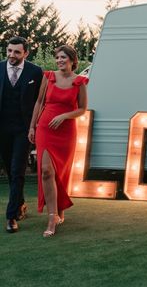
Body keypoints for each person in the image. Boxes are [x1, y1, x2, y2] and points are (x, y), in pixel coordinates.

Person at [28, 45, 88, 238]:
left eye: (63, 57)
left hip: (66, 131)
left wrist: (65, 116)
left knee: (60, 174)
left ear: (72, 60)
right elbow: (39, 102)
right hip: (45, 128)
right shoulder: (48, 77)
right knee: (46, 171)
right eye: (57, 57)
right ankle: (52, 217)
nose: (60, 60)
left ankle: (59, 209)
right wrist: (32, 126)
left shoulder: (80, 82)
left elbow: (82, 109)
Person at [0, 37, 43, 233]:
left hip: (23, 130)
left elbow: (39, 102)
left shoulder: (35, 72)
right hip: (2, 129)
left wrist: (34, 126)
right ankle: (21, 202)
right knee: (10, 170)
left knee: (18, 170)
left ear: (26, 53)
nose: (12, 55)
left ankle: (11, 217)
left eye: (17, 52)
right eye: (9, 51)